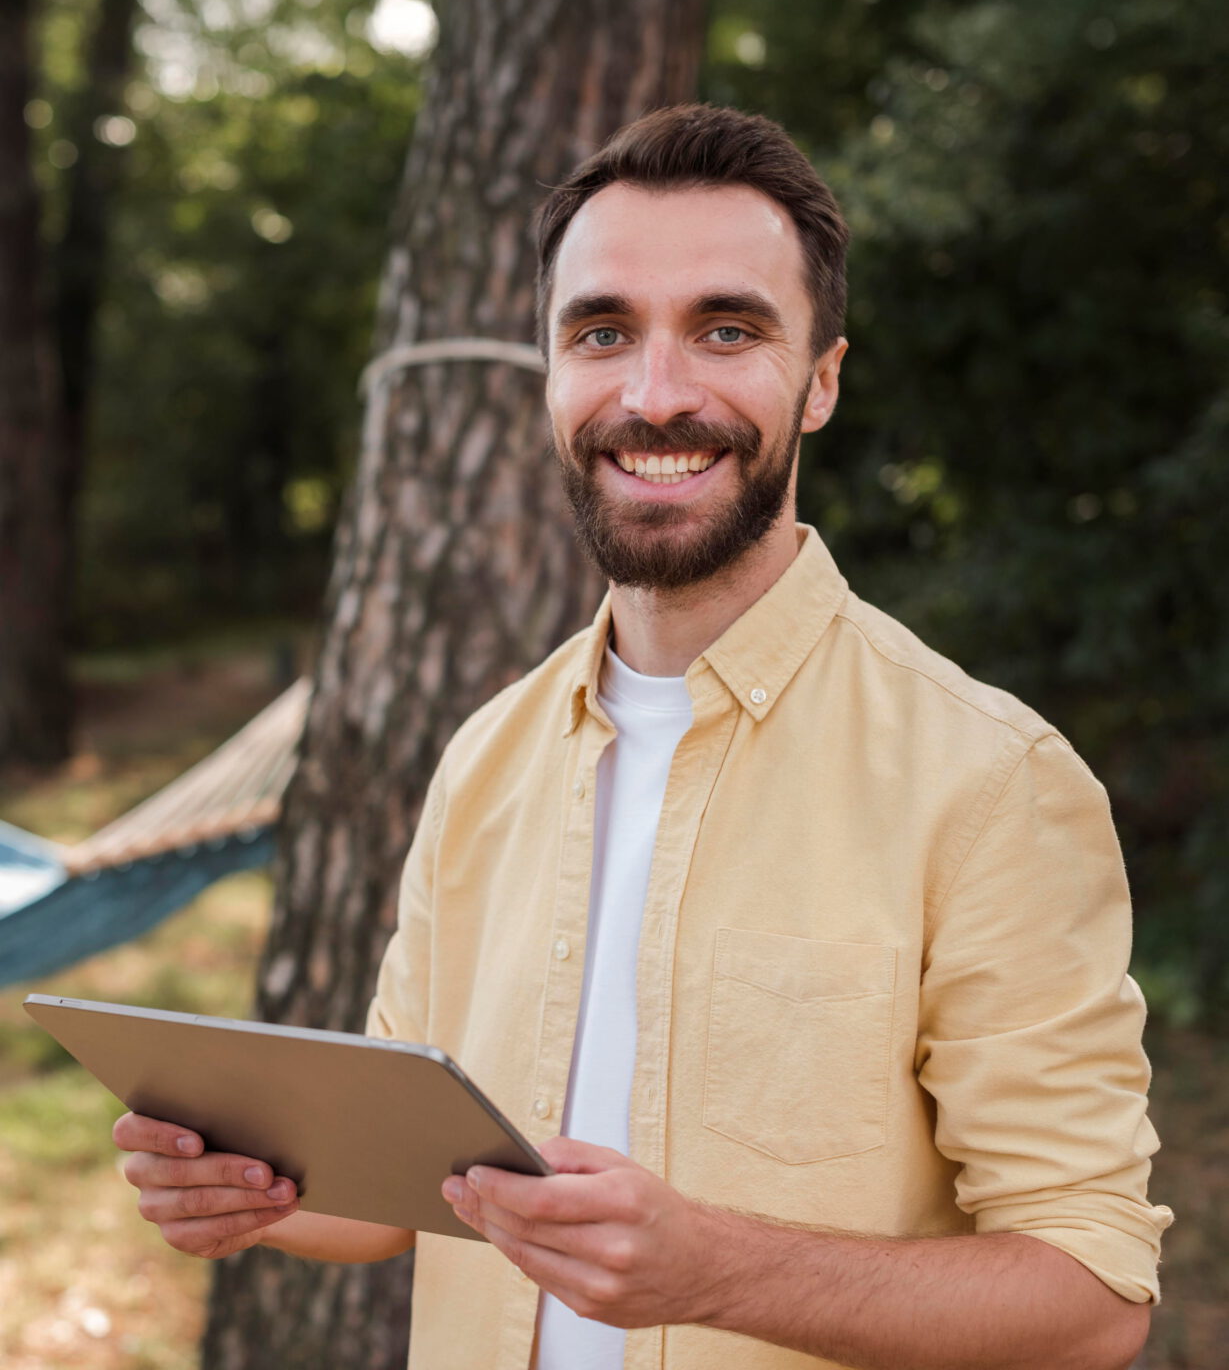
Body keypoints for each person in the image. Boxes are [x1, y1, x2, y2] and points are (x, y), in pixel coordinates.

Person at [114, 104, 1172, 1370]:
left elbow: (1095, 1298)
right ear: (551, 375)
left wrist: (720, 1273)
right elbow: (394, 1196)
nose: (654, 394)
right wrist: (243, 1190)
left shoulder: (992, 783)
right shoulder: (487, 759)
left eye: (726, 330)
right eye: (601, 333)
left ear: (820, 379)